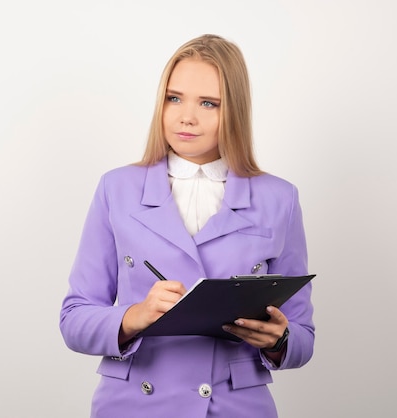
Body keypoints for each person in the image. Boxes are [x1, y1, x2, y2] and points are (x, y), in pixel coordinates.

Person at [60, 34, 314, 417]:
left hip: (236, 407)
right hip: (133, 405)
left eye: (208, 103)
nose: (186, 116)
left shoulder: (279, 198)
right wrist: (135, 316)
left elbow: (303, 338)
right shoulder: (117, 188)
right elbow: (74, 318)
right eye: (174, 98)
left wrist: (278, 340)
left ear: (235, 111)